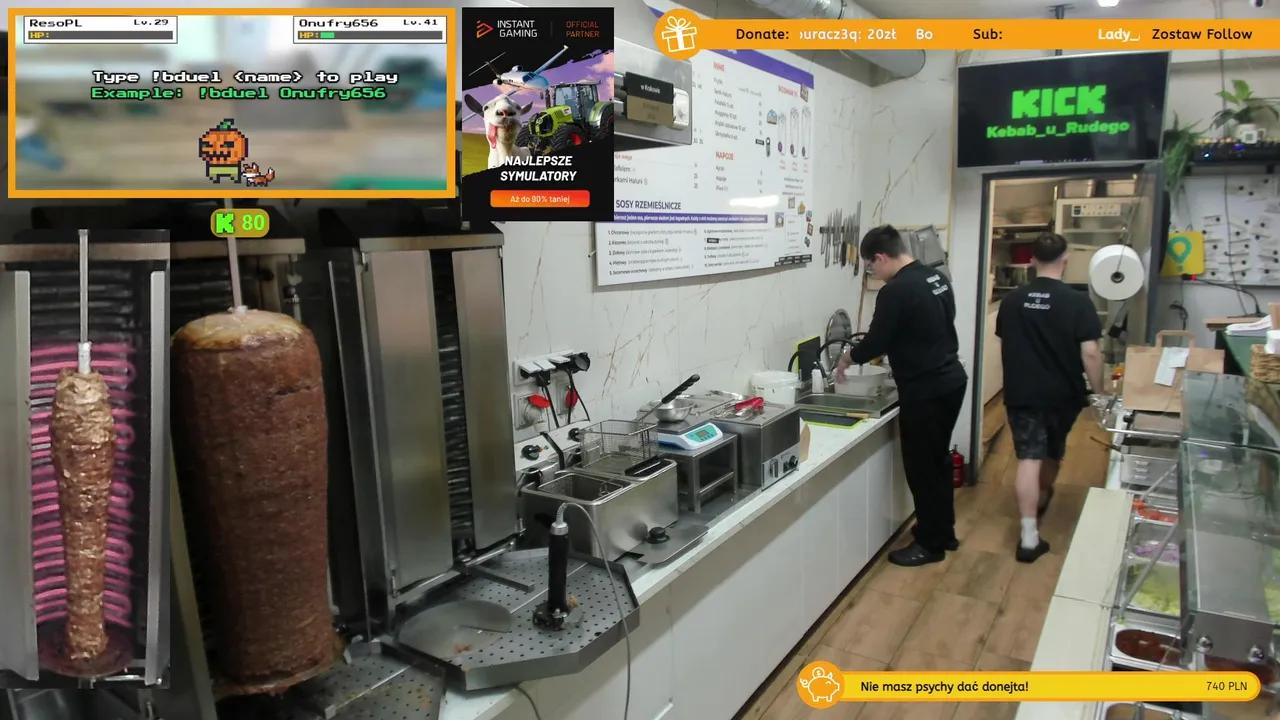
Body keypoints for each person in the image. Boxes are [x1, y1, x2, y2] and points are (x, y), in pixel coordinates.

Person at [837, 225, 968, 567]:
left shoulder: (895, 291)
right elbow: (938, 322)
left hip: (926, 388)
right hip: (951, 379)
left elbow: (876, 341)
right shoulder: (935, 276)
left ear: (881, 258)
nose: (873, 272)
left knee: (922, 467)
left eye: (870, 266)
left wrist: (848, 358)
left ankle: (930, 545)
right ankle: (943, 531)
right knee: (938, 461)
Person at [995, 232, 1104, 564]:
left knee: (1028, 457)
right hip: (1063, 393)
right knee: (1052, 450)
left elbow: (1005, 346)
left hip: (1023, 392)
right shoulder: (1078, 302)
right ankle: (1041, 495)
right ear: (1065, 260)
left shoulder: (1012, 301)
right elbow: (1091, 353)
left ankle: (1029, 536)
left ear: (1032, 261)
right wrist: (1101, 394)